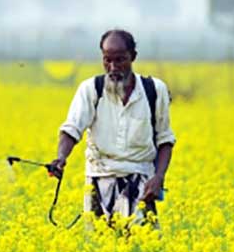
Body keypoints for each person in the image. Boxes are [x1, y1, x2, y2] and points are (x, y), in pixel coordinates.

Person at [50, 29, 176, 229]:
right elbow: (71, 129)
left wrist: (158, 178)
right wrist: (61, 157)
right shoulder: (91, 89)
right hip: (99, 179)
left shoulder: (154, 90)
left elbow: (165, 140)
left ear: (133, 57)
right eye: (107, 60)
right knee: (100, 249)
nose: (113, 67)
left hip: (141, 180)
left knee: (141, 247)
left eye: (120, 60)